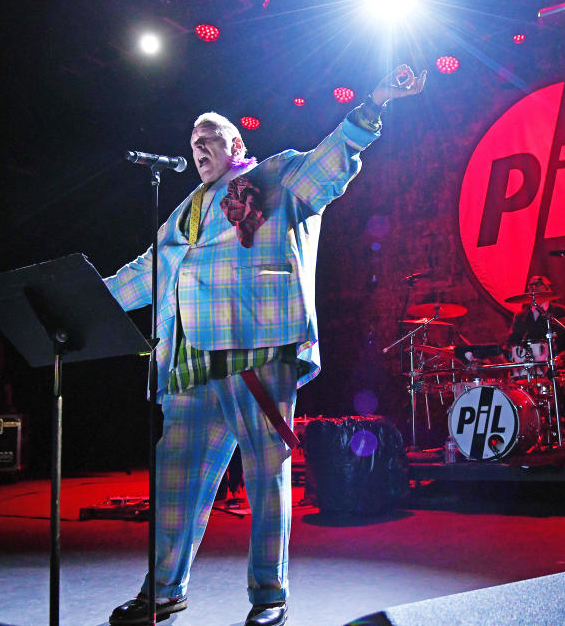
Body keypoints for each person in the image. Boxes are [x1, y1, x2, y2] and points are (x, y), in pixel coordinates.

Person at [104, 64, 427, 626]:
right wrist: (83, 298)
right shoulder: (182, 212)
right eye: (192, 141)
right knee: (174, 484)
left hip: (256, 352)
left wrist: (374, 103)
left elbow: (332, 162)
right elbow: (147, 273)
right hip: (189, 367)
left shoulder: (276, 177)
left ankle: (269, 597)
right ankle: (163, 590)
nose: (198, 147)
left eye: (209, 137)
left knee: (266, 477)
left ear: (236, 143)